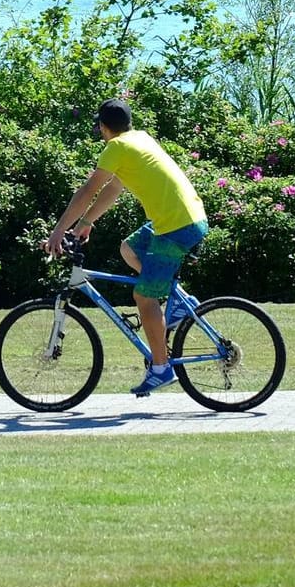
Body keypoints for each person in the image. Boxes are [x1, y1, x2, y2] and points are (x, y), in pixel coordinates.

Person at [44, 98, 209, 396]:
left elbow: (87, 190)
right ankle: (181, 303)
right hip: (183, 219)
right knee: (129, 249)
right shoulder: (140, 139)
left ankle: (161, 368)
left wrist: (59, 231)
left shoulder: (116, 147)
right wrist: (85, 223)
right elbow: (114, 188)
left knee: (144, 297)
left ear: (103, 127)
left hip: (176, 227)